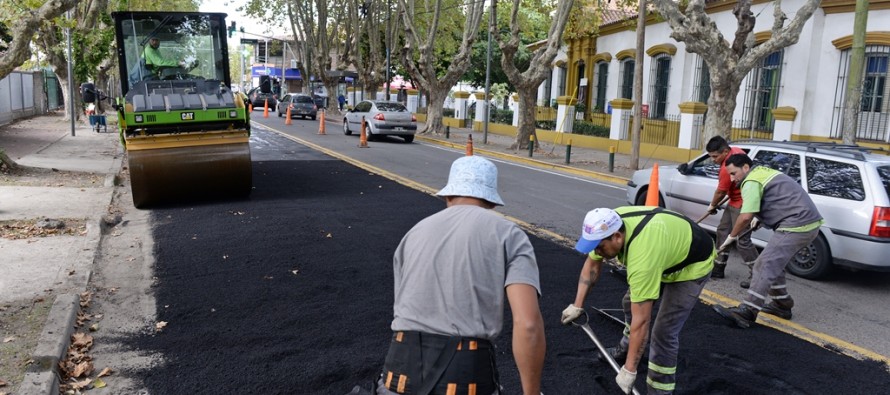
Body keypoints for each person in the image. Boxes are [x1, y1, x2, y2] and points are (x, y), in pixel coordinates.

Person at [376, 156, 545, 395]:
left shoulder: (413, 233)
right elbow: (528, 324)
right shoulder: (508, 234)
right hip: (466, 380)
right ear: (491, 201)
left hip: (397, 377)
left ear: (448, 195)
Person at [561, 206, 714, 395]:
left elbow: (642, 321)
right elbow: (592, 265)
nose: (597, 252)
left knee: (663, 332)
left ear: (617, 237)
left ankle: (660, 390)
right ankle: (626, 347)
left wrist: (629, 370)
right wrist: (577, 305)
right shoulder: (606, 225)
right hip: (666, 249)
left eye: (599, 247)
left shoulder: (643, 259)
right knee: (629, 302)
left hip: (692, 265)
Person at [713, 153, 823, 327]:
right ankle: (782, 304)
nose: (732, 179)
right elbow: (775, 198)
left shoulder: (750, 181)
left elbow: (744, 217)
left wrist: (731, 237)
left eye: (734, 173)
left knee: (764, 264)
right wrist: (760, 218)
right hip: (807, 224)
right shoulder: (761, 172)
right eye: (730, 175)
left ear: (746, 168)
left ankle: (747, 311)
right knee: (773, 263)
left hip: (797, 225)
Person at [704, 136, 759, 287]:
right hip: (733, 201)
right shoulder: (736, 151)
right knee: (723, 231)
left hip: (743, 204)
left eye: (715, 156)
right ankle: (718, 266)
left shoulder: (725, 169)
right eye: (711, 156)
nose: (713, 160)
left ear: (725, 151)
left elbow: (720, 192)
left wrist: (712, 205)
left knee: (742, 241)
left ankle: (758, 275)